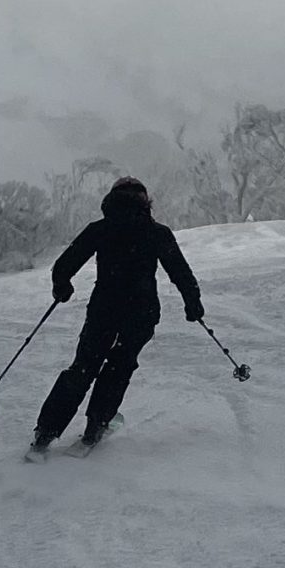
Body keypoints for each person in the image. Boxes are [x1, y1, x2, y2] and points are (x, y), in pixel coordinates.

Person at [31, 176, 202, 452]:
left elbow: (64, 265)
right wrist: (192, 303)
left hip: (104, 310)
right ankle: (95, 426)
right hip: (141, 311)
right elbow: (180, 272)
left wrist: (62, 286)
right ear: (146, 203)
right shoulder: (156, 232)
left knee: (83, 367)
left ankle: (45, 433)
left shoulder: (100, 229)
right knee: (118, 367)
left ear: (111, 200)